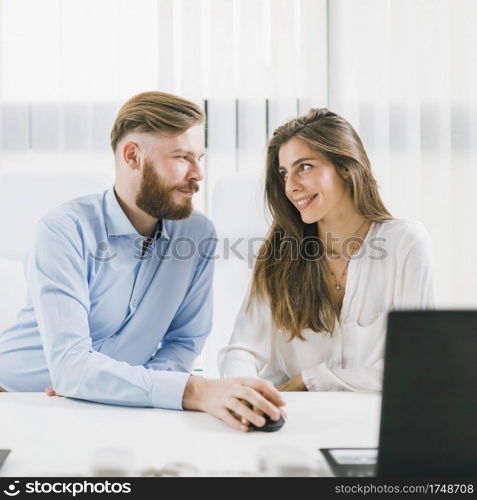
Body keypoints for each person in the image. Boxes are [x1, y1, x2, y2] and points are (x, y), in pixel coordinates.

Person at [0, 91, 285, 432]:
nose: (197, 174)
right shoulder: (64, 230)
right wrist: (195, 391)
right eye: (182, 158)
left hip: (114, 408)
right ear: (132, 156)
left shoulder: (197, 234)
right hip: (16, 400)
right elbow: (70, 367)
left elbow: (184, 342)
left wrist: (105, 386)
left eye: (200, 158)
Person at [218, 108, 435, 392]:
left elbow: (417, 365)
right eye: (284, 173)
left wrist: (309, 380)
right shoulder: (278, 254)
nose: (291, 186)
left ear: (345, 167)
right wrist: (245, 392)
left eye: (304, 167)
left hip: (370, 426)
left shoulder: (405, 242)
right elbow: (241, 351)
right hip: (289, 419)